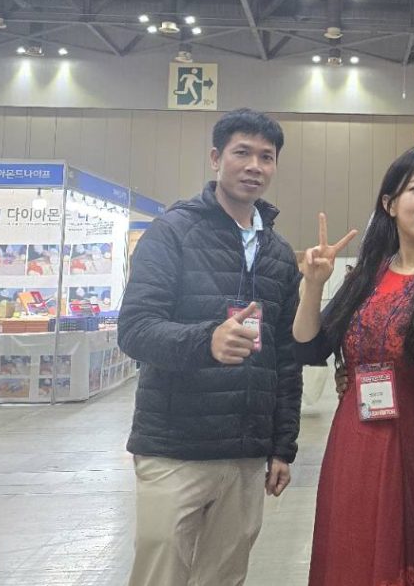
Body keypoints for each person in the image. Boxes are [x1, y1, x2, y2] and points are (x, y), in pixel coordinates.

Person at [117, 108, 303, 586]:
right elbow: (135, 329)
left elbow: (285, 359)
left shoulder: (279, 254)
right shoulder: (172, 233)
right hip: (175, 447)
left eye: (266, 156)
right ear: (216, 158)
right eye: (242, 153)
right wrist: (207, 340)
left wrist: (282, 446)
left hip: (244, 454)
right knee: (160, 572)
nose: (254, 166)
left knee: (223, 576)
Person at [292, 148, 414, 586]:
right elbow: (309, 348)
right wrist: (312, 286)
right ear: (390, 203)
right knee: (351, 554)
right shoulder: (366, 274)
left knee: (412, 555)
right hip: (355, 438)